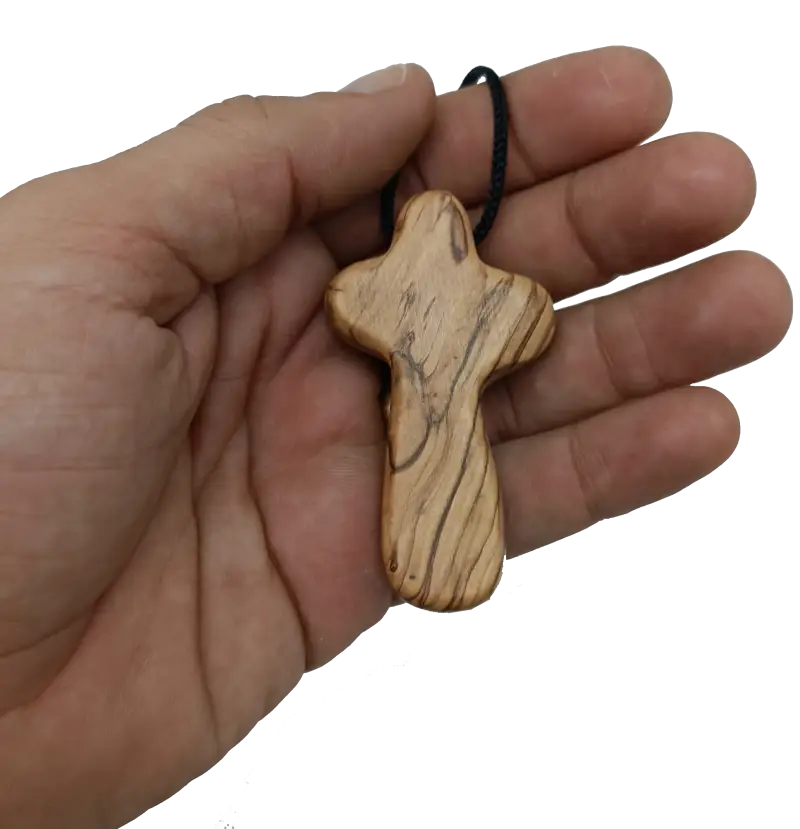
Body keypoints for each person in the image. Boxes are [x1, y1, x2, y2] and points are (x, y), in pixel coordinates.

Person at [0, 52, 790, 828]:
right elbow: (512, 310)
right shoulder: (470, 295)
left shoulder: (392, 290)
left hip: (440, 447)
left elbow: (460, 307)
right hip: (429, 446)